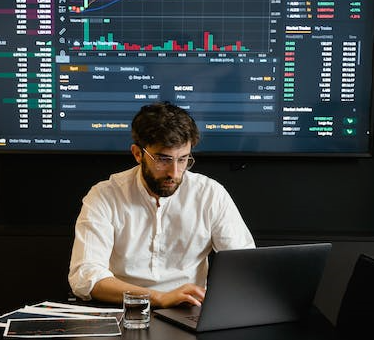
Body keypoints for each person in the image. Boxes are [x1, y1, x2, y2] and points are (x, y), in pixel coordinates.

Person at [68, 102, 255, 307]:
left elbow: (245, 266)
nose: (174, 173)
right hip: (123, 311)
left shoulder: (210, 194)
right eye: (163, 160)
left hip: (191, 311)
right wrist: (158, 298)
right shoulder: (104, 195)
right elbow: (85, 277)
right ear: (138, 154)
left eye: (183, 159)